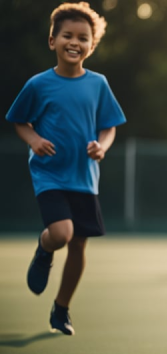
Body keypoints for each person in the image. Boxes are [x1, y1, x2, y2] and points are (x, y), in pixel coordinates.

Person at [6, 2, 125, 336]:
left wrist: (102, 145)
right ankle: (44, 249)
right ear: (52, 41)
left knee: (79, 245)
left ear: (91, 45)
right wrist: (33, 140)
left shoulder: (99, 83)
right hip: (50, 174)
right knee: (61, 233)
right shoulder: (38, 84)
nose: (75, 42)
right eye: (67, 36)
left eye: (83, 38)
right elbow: (19, 121)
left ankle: (61, 309)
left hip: (85, 178)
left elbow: (110, 126)